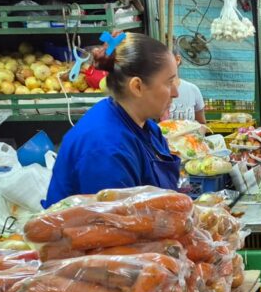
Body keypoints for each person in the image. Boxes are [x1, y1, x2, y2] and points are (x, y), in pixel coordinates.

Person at [45, 32, 181, 206]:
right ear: (137, 86)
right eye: (169, 83)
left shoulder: (146, 126)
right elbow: (113, 227)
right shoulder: (105, 148)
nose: (176, 93)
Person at [167, 53, 206, 124]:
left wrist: (196, 134)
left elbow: (202, 124)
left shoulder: (193, 90)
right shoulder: (152, 92)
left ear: (177, 59)